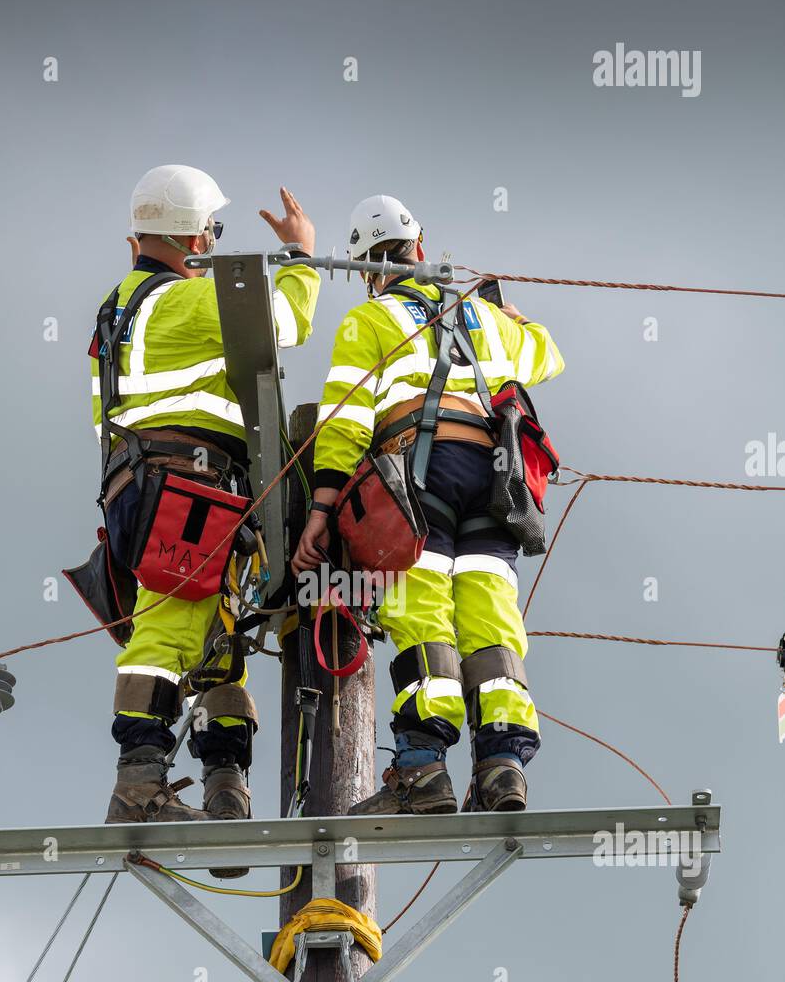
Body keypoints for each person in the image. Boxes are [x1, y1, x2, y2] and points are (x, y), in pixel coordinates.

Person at [292, 194, 564, 814]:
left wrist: (321, 508)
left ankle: (423, 768)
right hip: (496, 478)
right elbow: (549, 355)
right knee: (492, 621)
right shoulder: (483, 321)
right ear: (420, 250)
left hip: (421, 473)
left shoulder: (372, 322)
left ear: (366, 271)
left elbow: (343, 423)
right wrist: (517, 320)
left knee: (422, 613)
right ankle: (502, 768)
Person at [93, 165, 319, 832]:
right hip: (187, 484)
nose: (214, 243)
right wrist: (303, 258)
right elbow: (281, 322)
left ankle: (226, 783)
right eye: (212, 231)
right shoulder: (186, 301)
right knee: (172, 628)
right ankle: (140, 785)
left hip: (141, 485)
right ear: (192, 237)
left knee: (213, 632)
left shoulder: (117, 311)